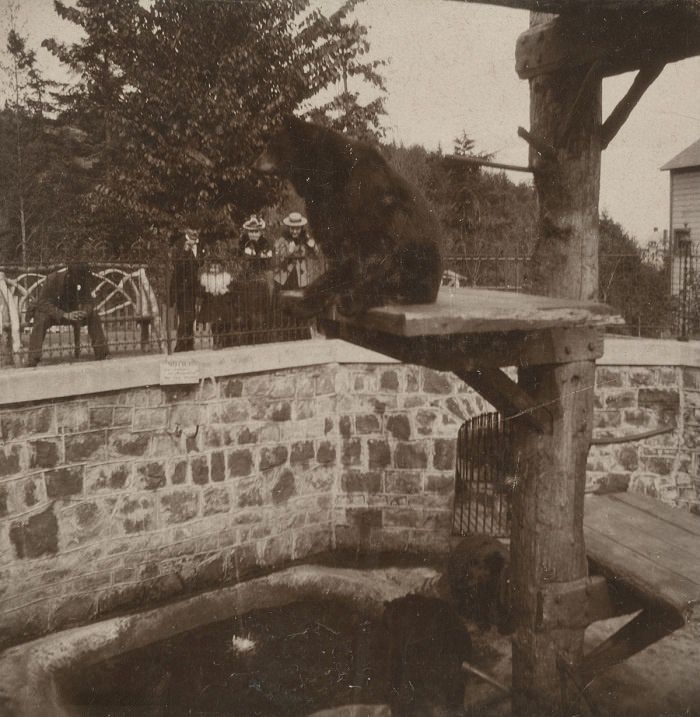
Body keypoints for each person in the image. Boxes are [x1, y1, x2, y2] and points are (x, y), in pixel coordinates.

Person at [27, 263, 108, 367]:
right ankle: (33, 359)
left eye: (82, 278)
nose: (80, 281)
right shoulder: (52, 279)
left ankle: (102, 353)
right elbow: (42, 303)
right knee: (41, 319)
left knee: (93, 315)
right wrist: (64, 314)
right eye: (77, 278)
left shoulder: (82, 280)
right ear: (70, 274)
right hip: (52, 314)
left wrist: (84, 312)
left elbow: (89, 302)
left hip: (72, 315)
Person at [237, 216, 273, 343]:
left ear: (260, 232)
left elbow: (267, 259)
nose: (253, 234)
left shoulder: (265, 243)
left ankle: (261, 337)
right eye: (251, 231)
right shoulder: (243, 242)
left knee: (261, 308)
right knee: (248, 308)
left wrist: (256, 256)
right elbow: (243, 260)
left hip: (261, 278)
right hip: (248, 279)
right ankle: (248, 337)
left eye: (256, 231)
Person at [170, 225, 202, 352]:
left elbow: (201, 262)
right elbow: (176, 265)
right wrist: (185, 250)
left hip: (194, 286)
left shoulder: (201, 244)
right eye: (192, 229)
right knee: (185, 315)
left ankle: (189, 343)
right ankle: (181, 345)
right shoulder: (179, 244)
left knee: (191, 315)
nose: (195, 231)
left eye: (197, 229)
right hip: (182, 286)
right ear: (186, 230)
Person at [273, 212, 319, 291]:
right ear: (289, 228)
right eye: (292, 228)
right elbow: (278, 259)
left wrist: (313, 246)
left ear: (301, 228)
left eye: (297, 229)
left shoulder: (305, 238)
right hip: (285, 277)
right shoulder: (282, 240)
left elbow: (315, 256)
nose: (294, 231)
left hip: (301, 277)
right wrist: (289, 251)